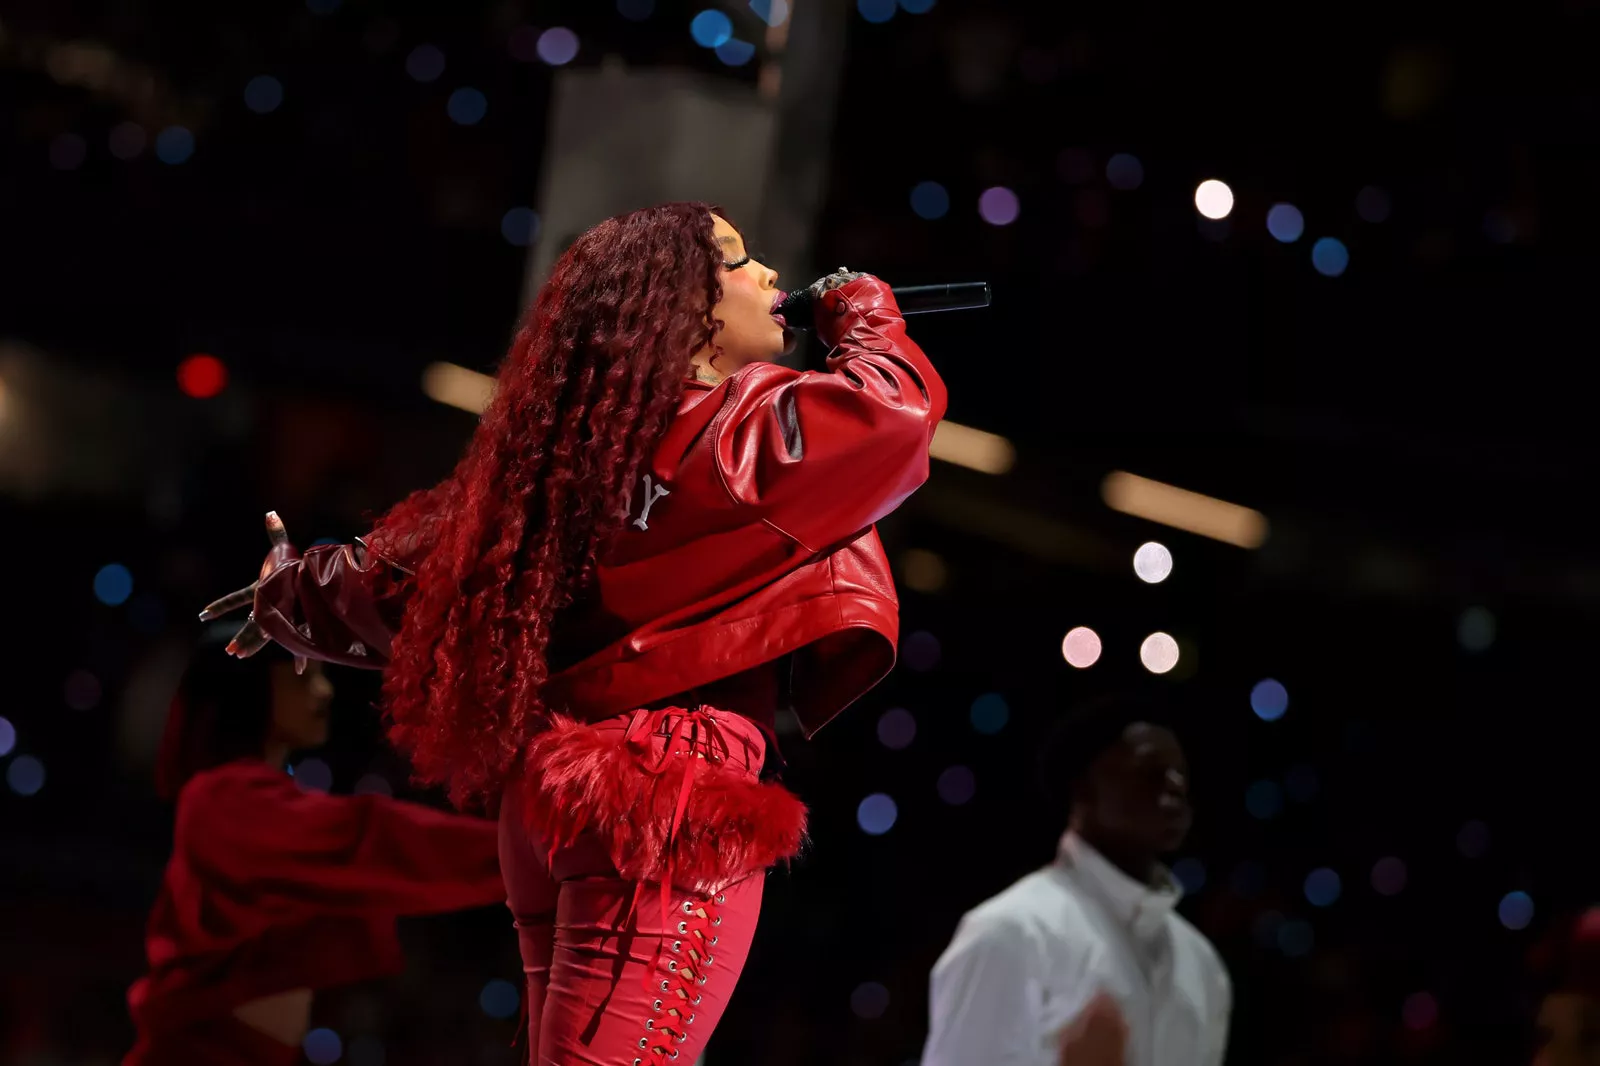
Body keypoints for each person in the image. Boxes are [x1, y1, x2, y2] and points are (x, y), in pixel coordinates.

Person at [198, 202, 947, 1064]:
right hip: (668, 798)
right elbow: (894, 418)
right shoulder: (740, 428)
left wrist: (287, 594)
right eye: (741, 263)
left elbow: (406, 583)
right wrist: (864, 313)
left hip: (561, 802)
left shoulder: (558, 468)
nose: (772, 278)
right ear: (688, 307)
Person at [125, 628, 506, 1066]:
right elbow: (367, 841)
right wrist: (516, 854)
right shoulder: (220, 799)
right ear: (250, 686)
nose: (324, 691)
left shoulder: (237, 798)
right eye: (304, 676)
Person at [921, 690, 1231, 1066]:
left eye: (1181, 774)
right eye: (1149, 770)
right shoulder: (1011, 933)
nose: (1174, 786)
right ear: (1083, 788)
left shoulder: (1201, 965)